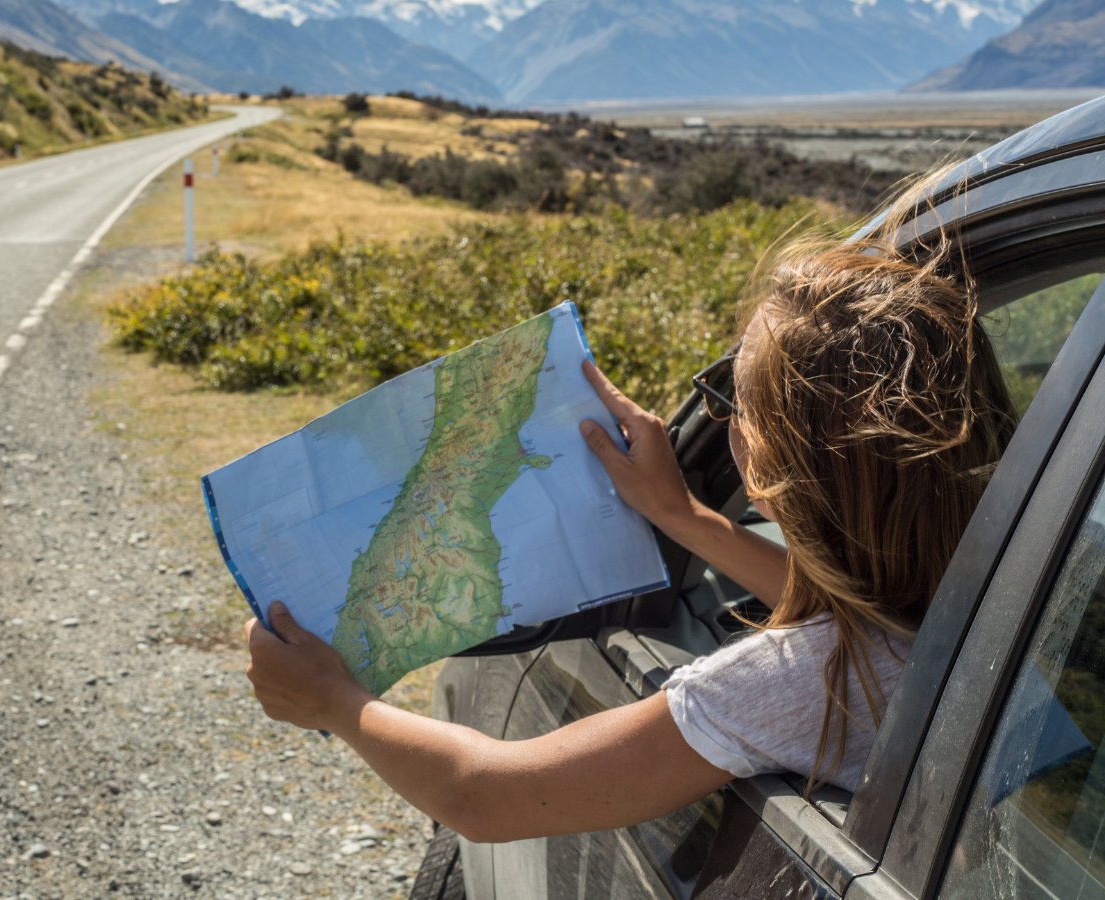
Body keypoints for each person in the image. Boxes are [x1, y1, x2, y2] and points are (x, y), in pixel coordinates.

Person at [241, 234, 1017, 845]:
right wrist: (682, 516)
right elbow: (864, 616)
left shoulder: (796, 684)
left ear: (774, 461)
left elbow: (483, 795)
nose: (720, 421)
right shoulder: (1001, 599)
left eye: (731, 400)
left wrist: (337, 702)